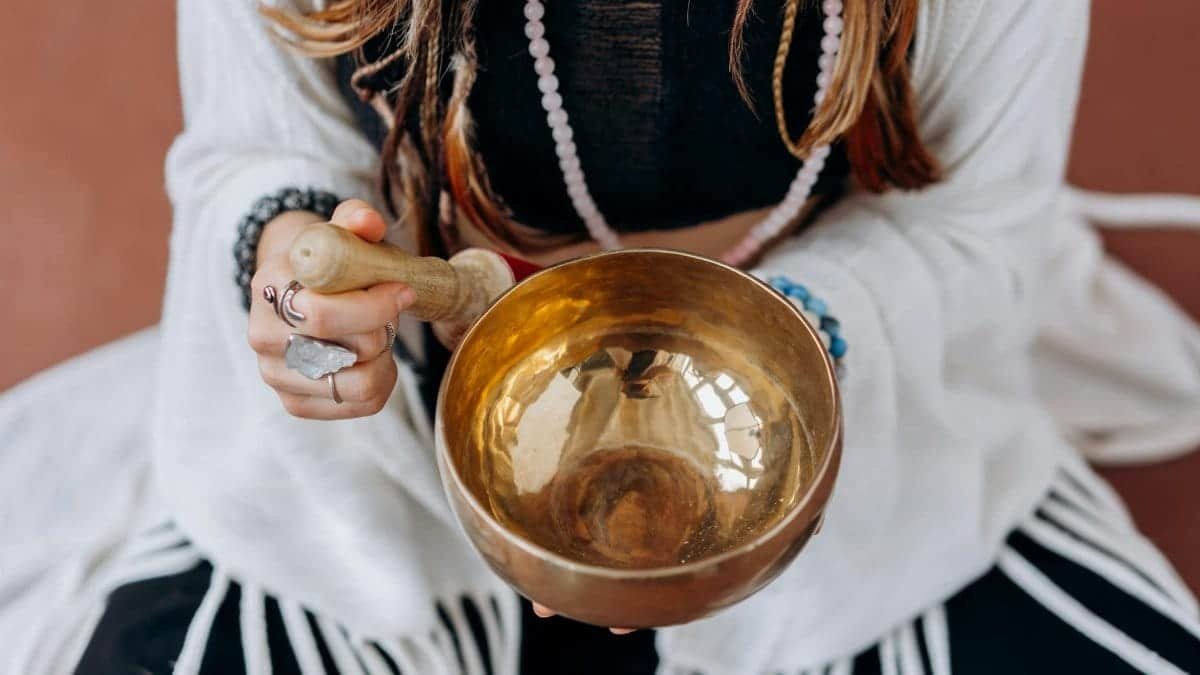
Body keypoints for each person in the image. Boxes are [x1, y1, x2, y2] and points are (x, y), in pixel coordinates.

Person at [3, 0, 1200, 673]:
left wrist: (783, 341)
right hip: (394, 451)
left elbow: (981, 225)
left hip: (850, 394)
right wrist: (283, 263)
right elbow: (252, 149)